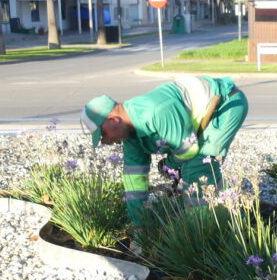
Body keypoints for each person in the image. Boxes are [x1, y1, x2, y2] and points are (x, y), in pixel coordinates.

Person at [81, 75, 249, 225]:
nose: (106, 142)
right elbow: (134, 182)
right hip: (202, 119)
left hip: (225, 104)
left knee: (198, 168)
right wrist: (139, 225)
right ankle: (234, 219)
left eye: (103, 134)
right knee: (198, 171)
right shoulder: (130, 136)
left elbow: (188, 149)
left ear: (114, 120)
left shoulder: (155, 112)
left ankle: (202, 233)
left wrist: (169, 164)